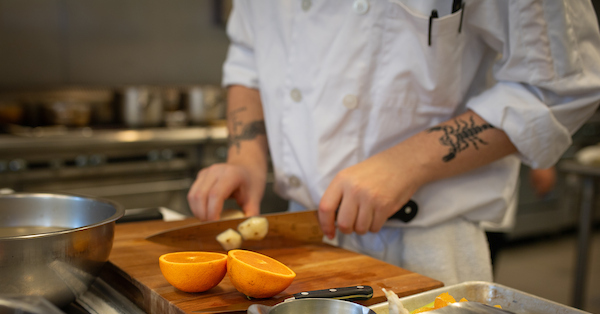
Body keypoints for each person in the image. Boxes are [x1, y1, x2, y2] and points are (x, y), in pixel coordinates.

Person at [188, 1, 600, 286]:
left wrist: (407, 163)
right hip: (304, 240)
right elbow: (248, 56)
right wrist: (245, 157)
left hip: (425, 250)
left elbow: (560, 87)